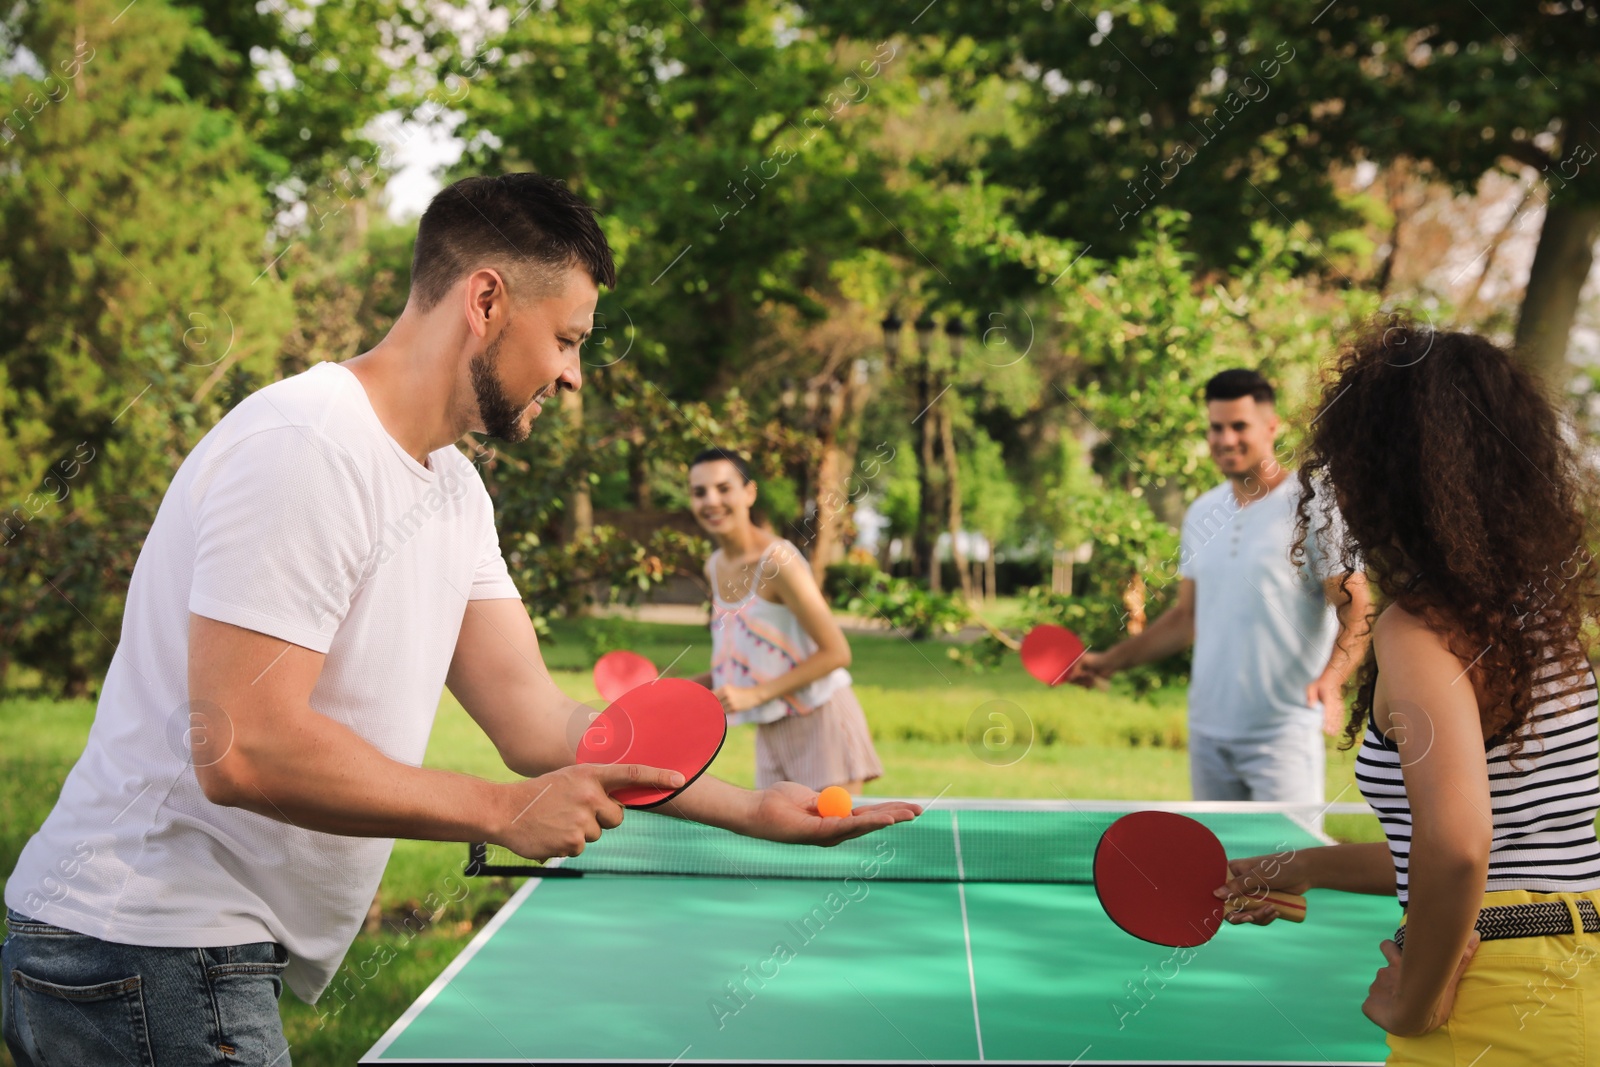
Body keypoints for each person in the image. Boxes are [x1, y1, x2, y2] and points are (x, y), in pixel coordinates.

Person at [1, 174, 919, 1067]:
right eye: (566, 338)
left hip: (175, 954)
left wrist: (751, 810)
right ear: (485, 300)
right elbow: (242, 748)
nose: (572, 376)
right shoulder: (309, 447)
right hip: (137, 943)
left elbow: (537, 722)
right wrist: (499, 812)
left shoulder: (453, 490)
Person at [1219, 325, 1600, 1064]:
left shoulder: (1420, 630)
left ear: (1382, 474)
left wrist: (1416, 1005)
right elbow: (1501, 852)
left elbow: (1459, 848)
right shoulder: (1541, 620)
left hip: (1497, 995)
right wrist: (1301, 865)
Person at [1071, 368, 1372, 804]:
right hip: (1209, 734)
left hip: (1283, 733)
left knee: (1284, 870)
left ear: (1271, 427)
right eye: (1216, 427)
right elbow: (1185, 619)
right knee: (1220, 870)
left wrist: (1333, 678)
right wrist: (1108, 662)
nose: (1226, 439)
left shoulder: (1315, 505)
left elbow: (1357, 605)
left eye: (1239, 426)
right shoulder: (1202, 511)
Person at [686, 448, 884, 794]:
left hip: (821, 722)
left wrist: (753, 695)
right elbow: (745, 660)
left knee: (830, 844)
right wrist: (681, 689)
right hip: (771, 730)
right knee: (780, 845)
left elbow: (836, 653)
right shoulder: (714, 565)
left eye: (723, 488)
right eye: (699, 492)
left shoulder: (779, 561)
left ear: (749, 493)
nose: (711, 501)